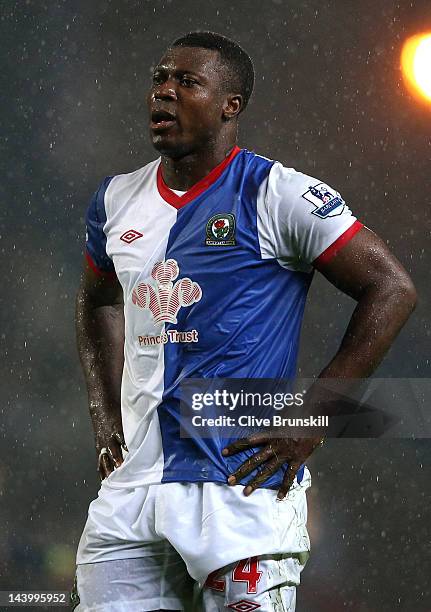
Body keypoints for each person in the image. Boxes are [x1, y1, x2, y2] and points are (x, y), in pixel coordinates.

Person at [72, 31, 417, 612]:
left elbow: (392, 289)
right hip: (131, 495)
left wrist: (315, 416)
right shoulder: (115, 199)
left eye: (187, 81)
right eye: (159, 78)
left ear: (231, 106)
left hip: (240, 490)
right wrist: (105, 411)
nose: (165, 91)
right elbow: (96, 301)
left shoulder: (278, 194)